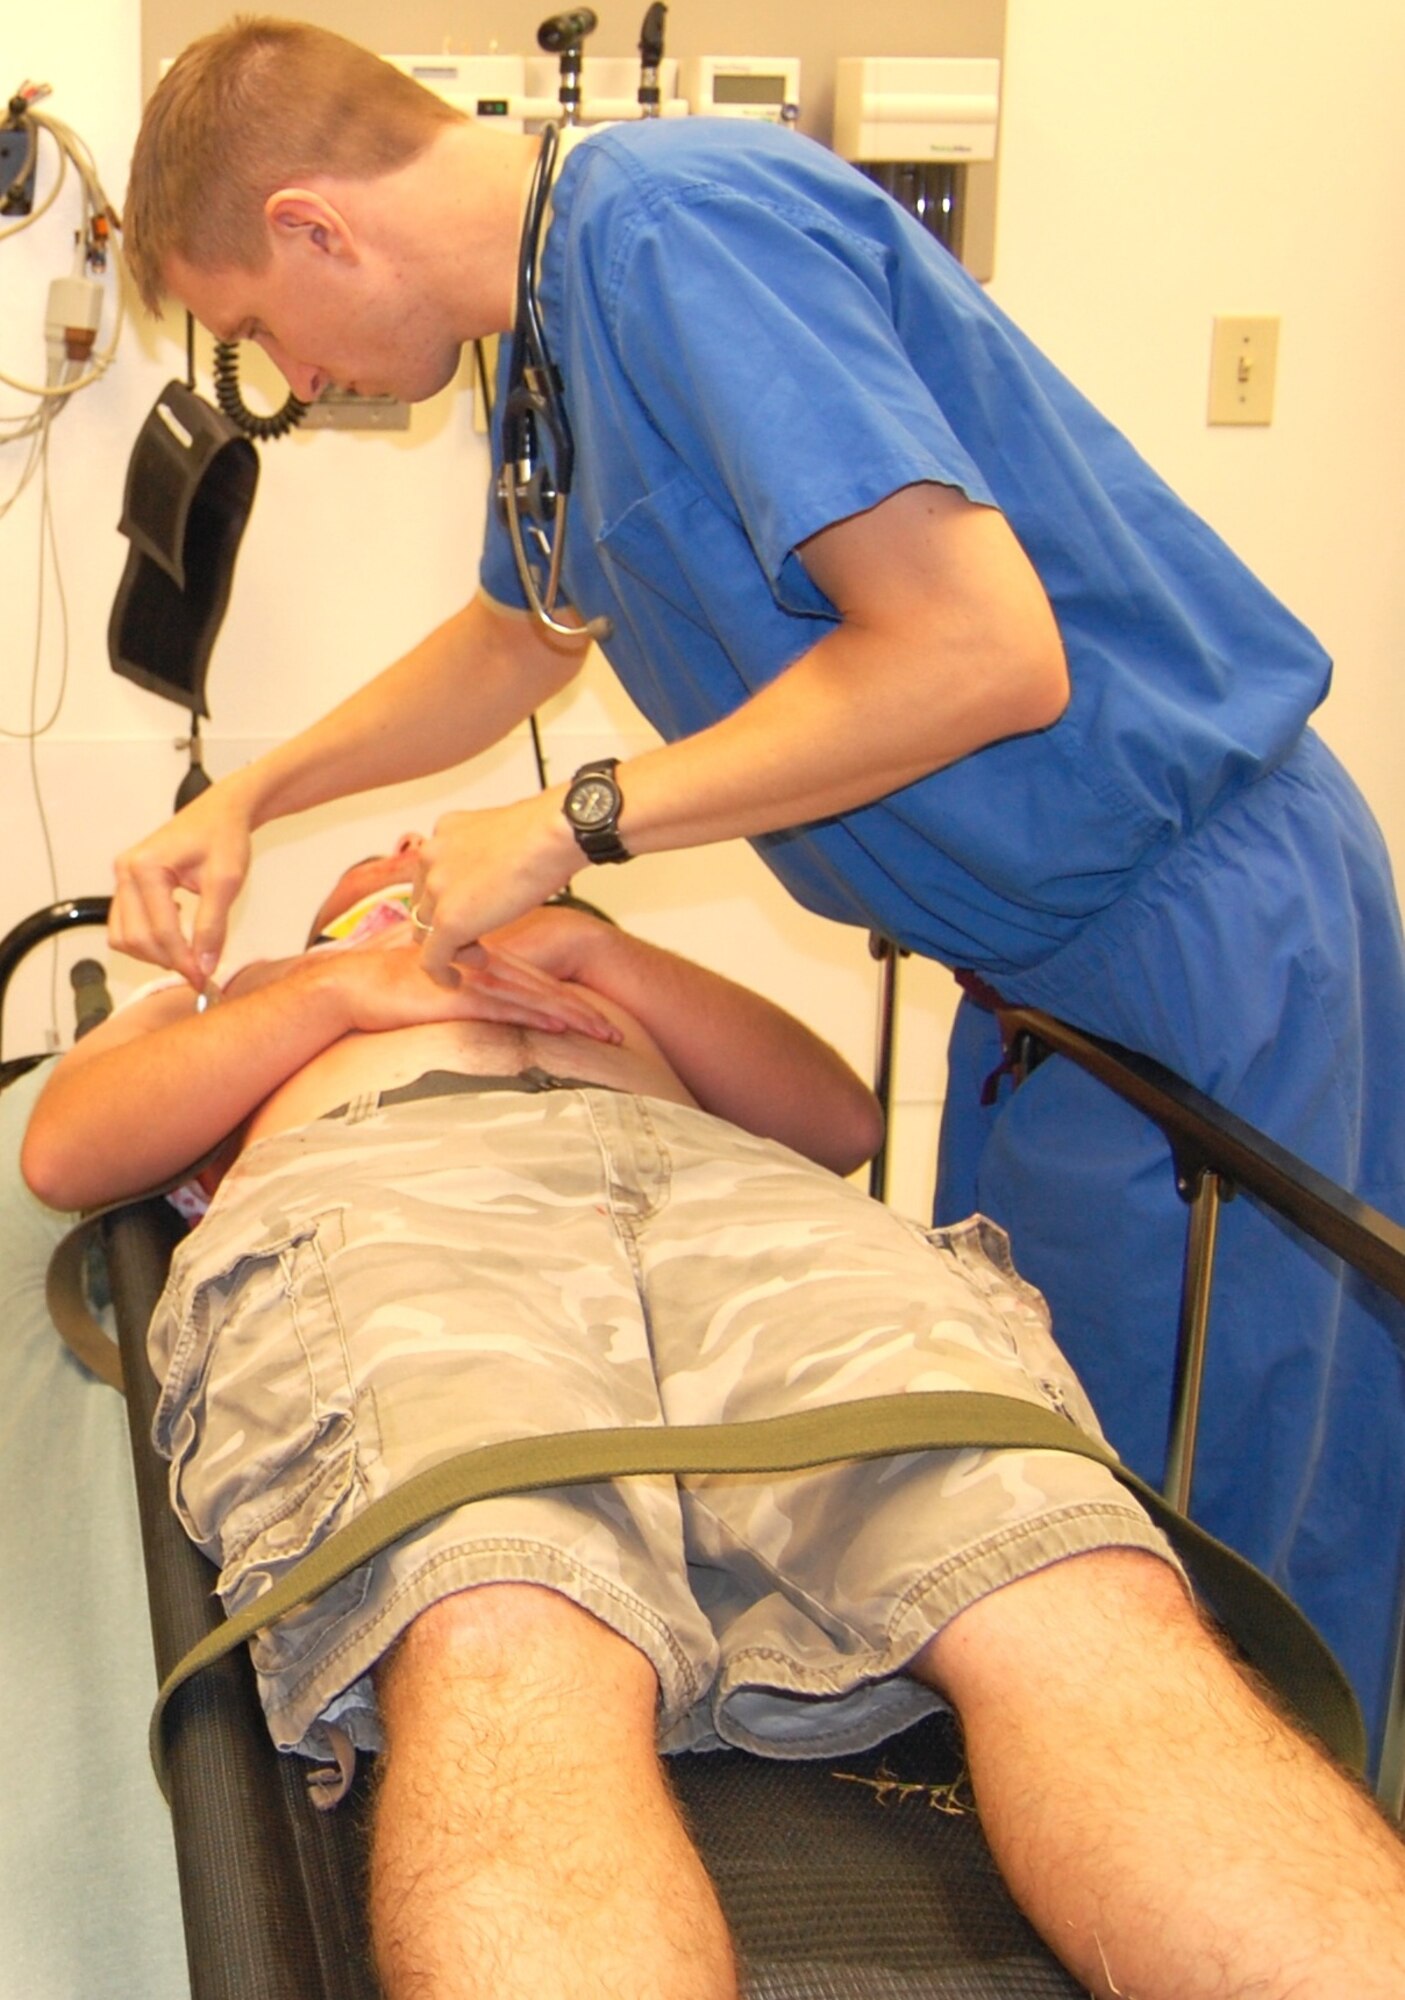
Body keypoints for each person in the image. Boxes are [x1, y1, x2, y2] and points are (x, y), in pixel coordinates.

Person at [109, 19, 1405, 1754]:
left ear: (316, 225)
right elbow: (518, 636)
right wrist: (254, 800)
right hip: (1033, 985)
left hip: (1192, 938)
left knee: (1218, 1572)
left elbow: (976, 653)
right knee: (1043, 1491)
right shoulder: (548, 338)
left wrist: (576, 827)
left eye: (260, 329)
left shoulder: (672, 233)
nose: (296, 377)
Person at [22, 840, 1405, 2000]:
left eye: (460, 858)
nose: (429, 867)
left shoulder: (620, 989)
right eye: (390, 874)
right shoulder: (271, 996)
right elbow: (67, 1145)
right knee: (504, 1621)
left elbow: (836, 1117)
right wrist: (339, 988)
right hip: (402, 1200)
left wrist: (598, 955)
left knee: (1071, 1589)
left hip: (744, 1210)